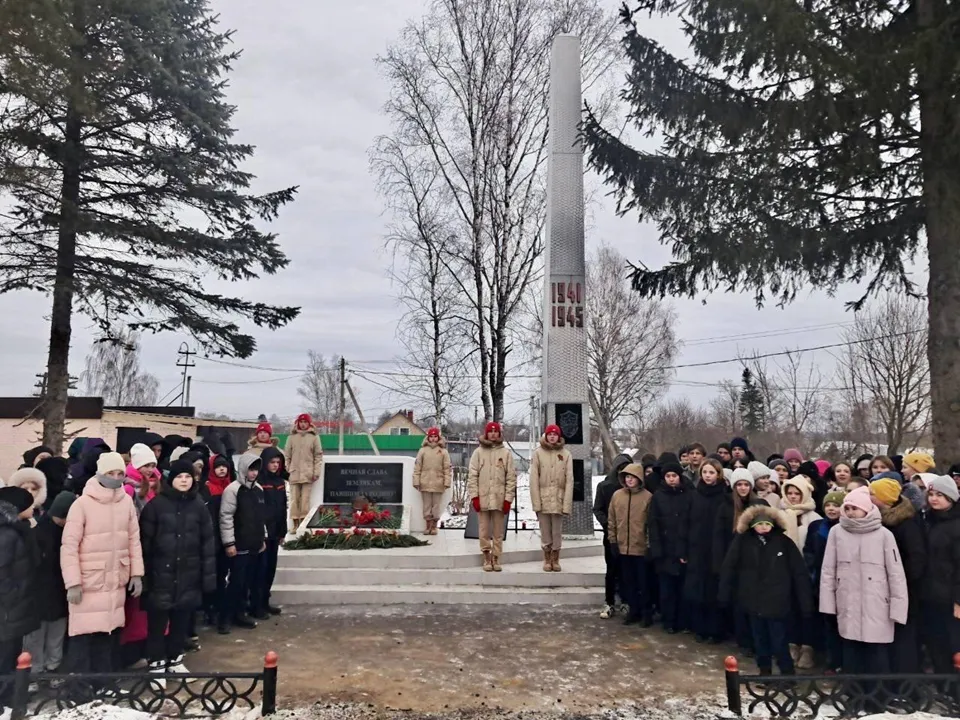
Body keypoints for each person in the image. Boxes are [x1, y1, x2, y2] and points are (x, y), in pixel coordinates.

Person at [60, 452, 144, 674]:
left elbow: (134, 539)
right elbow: (69, 546)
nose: (115, 477)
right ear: (100, 473)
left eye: (119, 473)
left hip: (116, 579)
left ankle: (103, 683)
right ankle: (78, 688)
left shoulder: (126, 502)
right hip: (89, 581)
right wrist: (73, 582)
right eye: (110, 473)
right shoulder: (82, 504)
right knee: (83, 635)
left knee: (109, 634)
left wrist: (136, 573)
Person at [139, 460, 215, 682]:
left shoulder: (198, 506)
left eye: (188, 476)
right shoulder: (156, 506)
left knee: (182, 618)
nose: (184, 480)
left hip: (188, 572)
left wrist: (207, 576)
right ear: (171, 479)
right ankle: (156, 663)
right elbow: (145, 544)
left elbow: (207, 543)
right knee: (158, 621)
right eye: (180, 476)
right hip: (160, 573)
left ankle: (175, 659)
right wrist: (144, 577)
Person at [819, 487, 908, 677]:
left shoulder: (884, 535)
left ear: (867, 508)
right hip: (848, 602)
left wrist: (898, 609)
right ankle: (853, 696)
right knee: (851, 653)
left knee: (877, 654)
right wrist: (828, 605)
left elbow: (896, 574)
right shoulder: (837, 532)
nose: (850, 512)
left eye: (855, 508)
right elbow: (828, 570)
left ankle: (877, 700)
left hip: (876, 603)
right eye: (848, 508)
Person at [719, 504, 813, 676]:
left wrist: (805, 602)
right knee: (760, 641)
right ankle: (765, 672)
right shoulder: (743, 542)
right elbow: (729, 567)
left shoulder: (784, 543)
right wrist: (724, 594)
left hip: (778, 601)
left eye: (767, 524)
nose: (763, 527)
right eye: (760, 524)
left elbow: (799, 573)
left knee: (780, 641)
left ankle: (787, 673)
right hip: (752, 600)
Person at [869, 478, 927, 674]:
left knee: (904, 639)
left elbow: (916, 559)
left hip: (905, 591)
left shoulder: (906, 524)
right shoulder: (883, 520)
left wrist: (898, 581)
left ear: (884, 498)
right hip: (886, 590)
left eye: (873, 494)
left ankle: (906, 685)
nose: (869, 498)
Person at [24, 491, 75, 679]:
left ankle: (52, 668)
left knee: (55, 632)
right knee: (37, 636)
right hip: (41, 591)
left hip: (58, 591)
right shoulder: (39, 533)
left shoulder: (65, 531)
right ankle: (36, 671)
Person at [0, 486, 40, 706]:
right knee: (5, 657)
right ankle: (5, 702)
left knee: (11, 654)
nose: (33, 507)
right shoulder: (6, 534)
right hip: (7, 610)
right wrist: (12, 597)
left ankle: (10, 698)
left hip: (14, 608)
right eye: (28, 503)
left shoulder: (18, 529)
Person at [219, 454, 267, 631]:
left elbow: (261, 517)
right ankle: (225, 618)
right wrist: (229, 543)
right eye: (250, 469)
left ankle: (240, 614)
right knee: (235, 582)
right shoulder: (233, 490)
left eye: (255, 470)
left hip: (254, 544)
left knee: (247, 582)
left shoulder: (259, 490)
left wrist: (263, 538)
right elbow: (226, 517)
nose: (253, 473)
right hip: (238, 545)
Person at [684, 459, 728, 643]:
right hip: (697, 549)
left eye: (712, 472)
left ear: (718, 474)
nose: (708, 476)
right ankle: (700, 628)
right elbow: (687, 523)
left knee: (714, 592)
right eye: (705, 472)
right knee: (698, 591)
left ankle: (716, 630)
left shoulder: (725, 495)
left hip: (717, 550)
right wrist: (685, 550)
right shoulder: (695, 495)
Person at [920, 476, 960, 674]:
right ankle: (944, 687)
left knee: (952, 645)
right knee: (935, 643)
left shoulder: (956, 525)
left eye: (940, 495)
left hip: (949, 595)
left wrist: (958, 600)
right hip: (930, 593)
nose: (934, 499)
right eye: (932, 494)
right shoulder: (927, 520)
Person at [607, 463, 654, 626]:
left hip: (639, 547)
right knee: (629, 582)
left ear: (639, 479)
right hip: (622, 547)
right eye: (627, 477)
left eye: (633, 477)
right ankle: (633, 611)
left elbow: (650, 524)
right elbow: (612, 520)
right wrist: (613, 540)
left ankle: (646, 613)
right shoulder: (617, 496)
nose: (630, 480)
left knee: (644, 583)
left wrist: (648, 545)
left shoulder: (647, 497)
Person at [803, 490, 845, 673]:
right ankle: (827, 658)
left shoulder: (847, 527)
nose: (831, 508)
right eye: (828, 505)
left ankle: (839, 661)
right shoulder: (816, 526)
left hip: (842, 582)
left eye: (836, 505)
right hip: (819, 580)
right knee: (824, 622)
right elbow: (809, 551)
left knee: (839, 624)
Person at [467, 422, 517, 572]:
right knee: (483, 530)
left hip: (499, 499)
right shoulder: (478, 453)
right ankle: (486, 556)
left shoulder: (506, 454)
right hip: (482, 498)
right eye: (491, 432)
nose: (493, 434)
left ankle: (496, 556)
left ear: (499, 434)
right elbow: (472, 476)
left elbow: (511, 478)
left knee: (497, 531)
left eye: (496, 432)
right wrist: (475, 497)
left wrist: (508, 499)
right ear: (486, 434)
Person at [647, 461, 691, 633]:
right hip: (665, 550)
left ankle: (682, 620)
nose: (672, 479)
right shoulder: (658, 496)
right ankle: (668, 621)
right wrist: (656, 549)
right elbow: (653, 524)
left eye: (674, 476)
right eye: (668, 476)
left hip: (682, 549)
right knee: (666, 590)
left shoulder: (688, 494)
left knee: (682, 588)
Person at [594, 453, 633, 619]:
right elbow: (598, 509)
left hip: (630, 536)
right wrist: (608, 525)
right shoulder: (605, 486)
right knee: (611, 569)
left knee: (627, 570)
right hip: (611, 535)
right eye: (621, 469)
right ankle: (609, 601)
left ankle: (626, 600)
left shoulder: (633, 488)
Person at [529, 424, 573, 572]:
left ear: (559, 436)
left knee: (557, 531)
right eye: (550, 434)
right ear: (546, 436)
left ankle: (556, 558)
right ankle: (547, 558)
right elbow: (534, 479)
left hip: (559, 499)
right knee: (545, 530)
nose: (552, 437)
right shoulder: (538, 454)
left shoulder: (566, 454)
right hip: (543, 498)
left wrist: (566, 504)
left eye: (555, 434)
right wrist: (536, 503)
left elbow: (569, 480)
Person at [255, 447, 287, 619]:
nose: (275, 466)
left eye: (277, 463)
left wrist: (283, 531)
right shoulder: (259, 481)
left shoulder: (280, 481)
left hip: (275, 532)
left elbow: (283, 508)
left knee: (270, 569)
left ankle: (265, 602)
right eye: (272, 462)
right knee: (261, 569)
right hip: (263, 533)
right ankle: (256, 604)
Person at [284, 413, 323, 532]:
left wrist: (316, 472)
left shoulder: (314, 437)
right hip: (294, 473)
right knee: (294, 499)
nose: (303, 424)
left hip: (308, 473)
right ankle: (294, 523)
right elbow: (287, 455)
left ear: (309, 423)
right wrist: (287, 469)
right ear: (297, 423)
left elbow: (318, 456)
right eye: (301, 422)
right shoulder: (291, 437)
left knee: (305, 500)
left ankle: (303, 523)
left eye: (305, 422)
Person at [413, 427, 452, 537]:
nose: (433, 439)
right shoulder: (422, 451)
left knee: (436, 506)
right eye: (431, 436)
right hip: (425, 482)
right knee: (426, 506)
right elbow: (417, 466)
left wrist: (447, 482)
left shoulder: (443, 451)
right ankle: (427, 525)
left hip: (438, 483)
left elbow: (447, 468)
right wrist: (416, 481)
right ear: (428, 438)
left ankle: (434, 526)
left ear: (438, 437)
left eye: (435, 436)